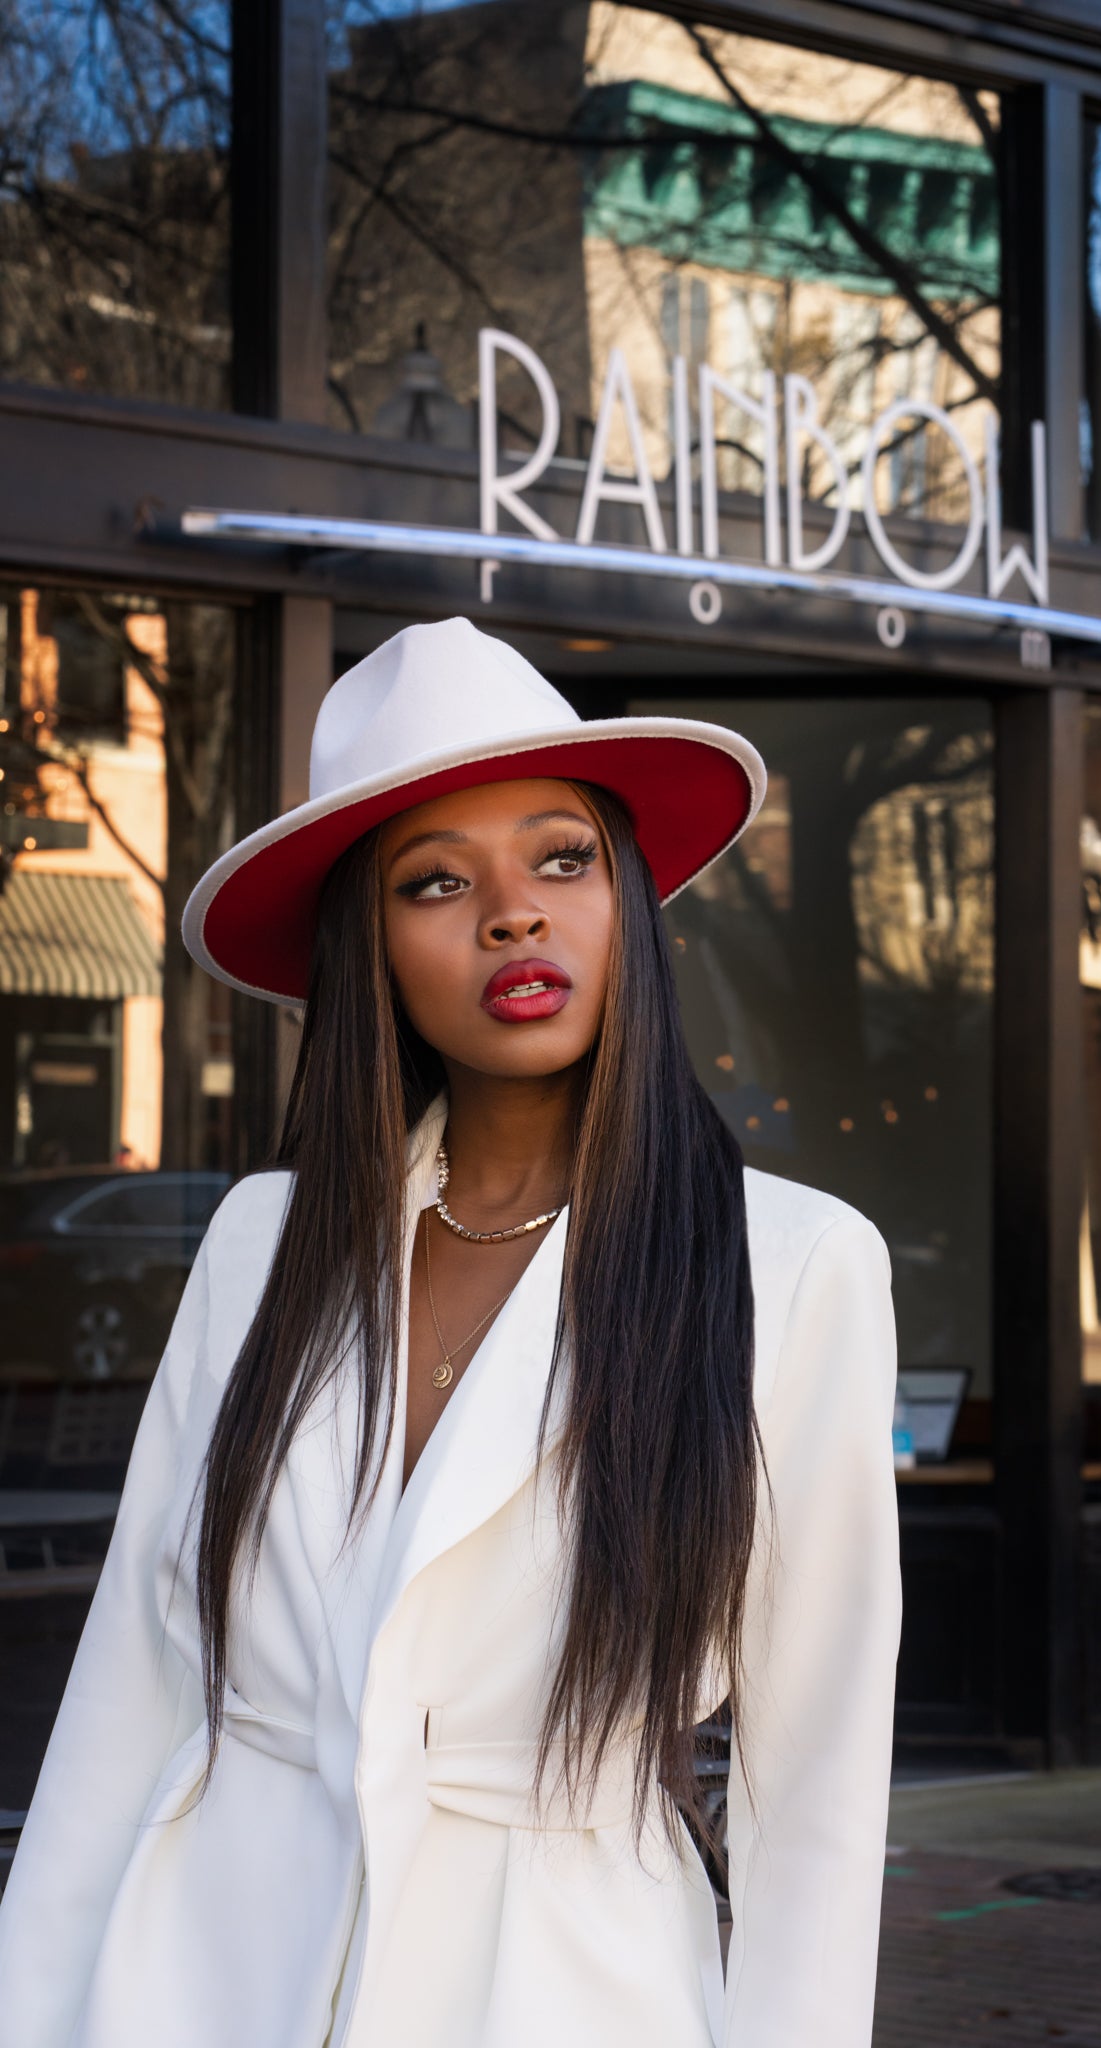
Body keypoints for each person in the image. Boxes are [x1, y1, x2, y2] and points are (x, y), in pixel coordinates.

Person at [0, 618, 901, 2048]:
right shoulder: (261, 1247)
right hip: (201, 1972)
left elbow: (818, 1785)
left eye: (561, 859)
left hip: (563, 1984)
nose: (512, 916)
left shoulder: (792, 1266)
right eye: (436, 881)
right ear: (370, 947)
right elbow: (133, 1684)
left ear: (626, 903)